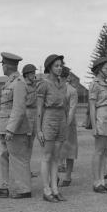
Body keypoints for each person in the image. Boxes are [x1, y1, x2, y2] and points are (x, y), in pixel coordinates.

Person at [0, 52, 32, 199]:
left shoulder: (19, 83)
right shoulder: (10, 82)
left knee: (18, 158)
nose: (2, 67)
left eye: (3, 64)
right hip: (4, 127)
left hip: (14, 129)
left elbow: (19, 108)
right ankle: (0, 187)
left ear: (7, 66)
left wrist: (11, 129)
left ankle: (23, 189)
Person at [36, 54, 68, 202]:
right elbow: (39, 108)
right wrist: (39, 129)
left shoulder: (63, 83)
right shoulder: (44, 83)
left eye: (61, 65)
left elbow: (65, 105)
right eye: (56, 65)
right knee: (47, 156)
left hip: (61, 119)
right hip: (48, 119)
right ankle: (46, 189)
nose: (59, 68)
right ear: (49, 67)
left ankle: (55, 189)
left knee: (56, 157)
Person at [89, 58, 107, 193]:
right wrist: (94, 126)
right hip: (101, 115)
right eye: (106, 68)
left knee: (106, 150)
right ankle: (96, 183)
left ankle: (102, 180)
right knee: (99, 150)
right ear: (99, 69)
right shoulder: (94, 84)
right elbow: (91, 107)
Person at [58, 66, 78, 187]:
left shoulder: (71, 90)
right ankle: (62, 176)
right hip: (57, 122)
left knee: (69, 149)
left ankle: (67, 176)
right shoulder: (55, 89)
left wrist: (67, 124)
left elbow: (72, 109)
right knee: (58, 150)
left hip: (67, 124)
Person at [22, 64, 39, 178]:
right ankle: (24, 170)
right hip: (27, 114)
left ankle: (27, 169)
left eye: (34, 73)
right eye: (32, 73)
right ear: (27, 74)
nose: (34, 75)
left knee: (30, 144)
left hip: (34, 115)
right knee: (25, 145)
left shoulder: (35, 85)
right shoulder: (23, 85)